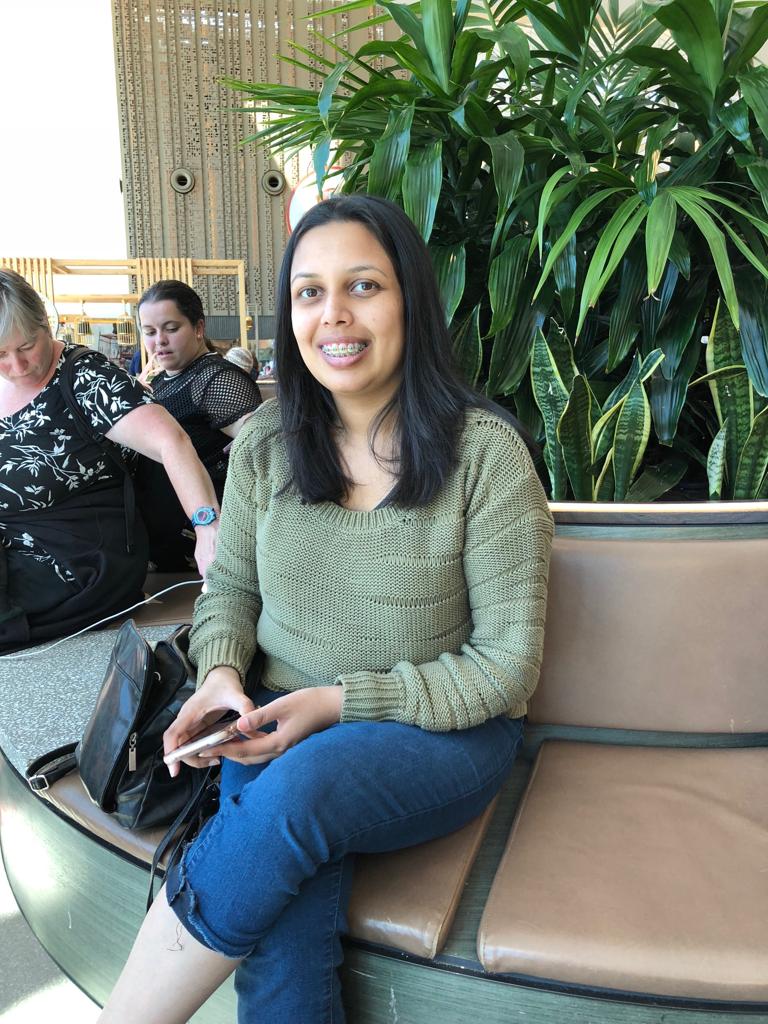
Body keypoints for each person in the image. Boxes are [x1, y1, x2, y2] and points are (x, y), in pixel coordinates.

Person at [98, 195, 553, 1024]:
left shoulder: (485, 455)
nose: (333, 314)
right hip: (272, 715)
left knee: (298, 787)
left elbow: (505, 667)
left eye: (363, 286)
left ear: (410, 300)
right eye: (309, 292)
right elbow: (231, 590)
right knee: (282, 930)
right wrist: (222, 674)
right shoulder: (266, 442)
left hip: (438, 733)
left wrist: (336, 705)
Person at [0, 270, 221, 652]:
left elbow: (171, 442)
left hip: (75, 558)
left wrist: (207, 527)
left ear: (46, 325)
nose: (18, 366)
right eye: (1, 354)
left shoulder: (85, 377)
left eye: (27, 346)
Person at [135, 281, 262, 570]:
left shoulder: (213, 378)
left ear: (198, 328)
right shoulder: (162, 379)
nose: (159, 341)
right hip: (164, 543)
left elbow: (260, 440)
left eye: (171, 328)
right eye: (150, 332)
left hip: (201, 546)